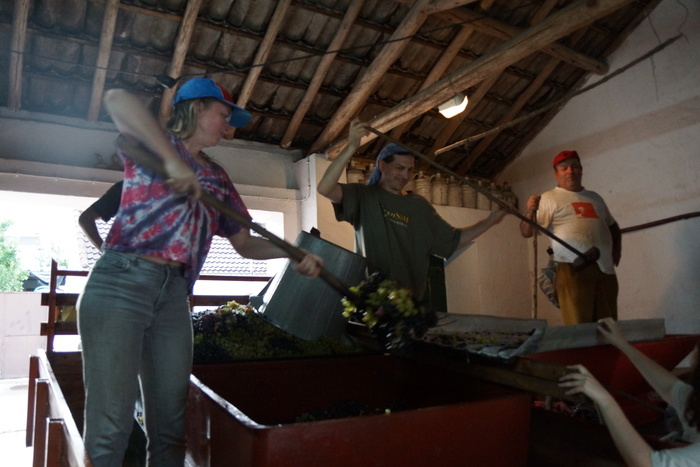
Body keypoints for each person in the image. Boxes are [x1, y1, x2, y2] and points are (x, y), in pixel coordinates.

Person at [76, 77, 323, 466]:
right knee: (111, 428)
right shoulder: (154, 144)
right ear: (195, 108)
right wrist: (174, 162)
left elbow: (244, 244)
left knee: (171, 428)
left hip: (174, 296)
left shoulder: (218, 179)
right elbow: (116, 99)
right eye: (224, 115)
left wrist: (291, 253)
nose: (230, 126)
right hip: (120, 282)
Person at [317, 120, 505, 302]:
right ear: (382, 165)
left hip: (409, 304)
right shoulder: (364, 197)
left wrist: (491, 220)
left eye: (410, 170)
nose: (406, 175)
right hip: (372, 300)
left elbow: (453, 240)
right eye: (399, 168)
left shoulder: (419, 206)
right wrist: (351, 147)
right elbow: (325, 188)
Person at [560, 318, 700, 465]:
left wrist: (605, 400)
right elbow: (669, 388)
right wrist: (622, 344)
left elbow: (645, 463)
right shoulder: (695, 400)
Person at [519, 150, 622, 324]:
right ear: (556, 173)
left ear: (581, 170)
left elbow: (613, 226)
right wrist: (530, 210)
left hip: (605, 270)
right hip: (572, 268)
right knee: (579, 325)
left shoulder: (595, 198)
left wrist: (616, 252)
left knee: (610, 326)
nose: (570, 171)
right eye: (564, 167)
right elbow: (526, 232)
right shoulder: (549, 198)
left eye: (574, 166)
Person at [78, 180, 123, 250]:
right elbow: (85, 219)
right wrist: (105, 250)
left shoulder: (125, 187)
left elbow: (85, 219)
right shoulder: (124, 188)